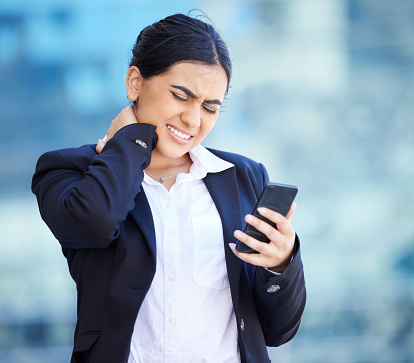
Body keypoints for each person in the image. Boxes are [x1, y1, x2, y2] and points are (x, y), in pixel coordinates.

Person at [31, 13, 306, 363]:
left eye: (210, 107)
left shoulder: (244, 178)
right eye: (181, 96)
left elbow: (279, 330)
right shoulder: (71, 171)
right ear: (134, 82)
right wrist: (129, 141)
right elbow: (96, 221)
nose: (194, 120)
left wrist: (281, 264)